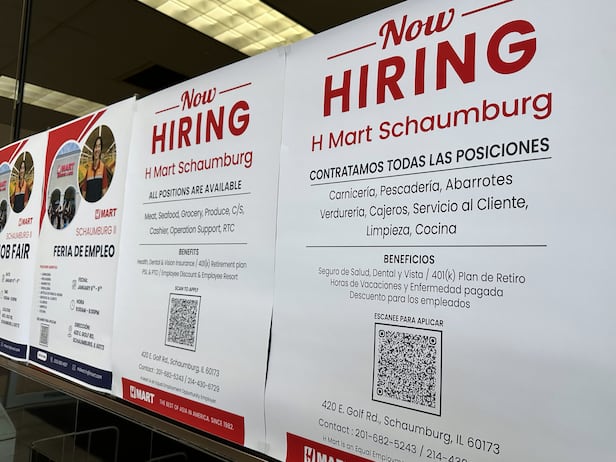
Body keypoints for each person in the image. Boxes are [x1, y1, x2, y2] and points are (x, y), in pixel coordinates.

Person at [81, 136, 108, 202]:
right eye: (95, 146)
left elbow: (104, 191)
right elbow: (84, 191)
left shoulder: (103, 168)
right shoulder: (88, 169)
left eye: (99, 146)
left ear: (101, 150)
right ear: (93, 150)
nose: (97, 149)